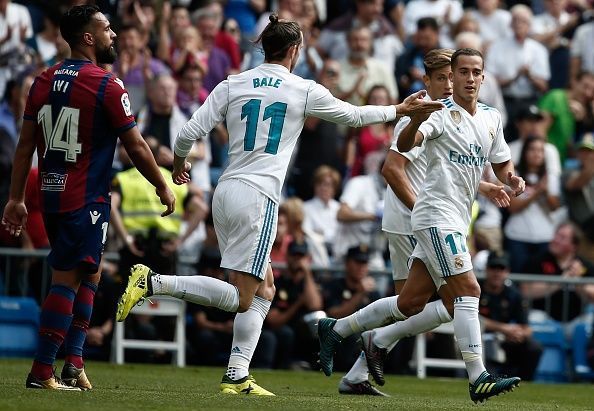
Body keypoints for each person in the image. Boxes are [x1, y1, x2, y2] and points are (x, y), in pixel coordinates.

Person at [115, 13, 443, 396]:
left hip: (226, 191)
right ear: (293, 50)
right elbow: (353, 116)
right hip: (259, 197)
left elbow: (187, 133)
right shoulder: (301, 88)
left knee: (265, 289)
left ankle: (237, 374)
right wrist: (400, 110)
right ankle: (153, 281)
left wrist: (180, 164)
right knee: (242, 296)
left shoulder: (233, 82)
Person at [318, 48, 526, 404]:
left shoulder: (491, 117)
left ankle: (341, 329)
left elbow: (499, 163)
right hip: (431, 217)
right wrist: (414, 119)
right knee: (468, 292)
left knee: (412, 301)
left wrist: (510, 180)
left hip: (454, 219)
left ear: (483, 76)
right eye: (460, 72)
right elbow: (402, 149)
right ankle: (478, 377)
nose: (467, 78)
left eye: (475, 72)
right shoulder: (436, 112)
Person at [1, 5, 175, 390]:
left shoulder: (42, 81)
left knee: (91, 274)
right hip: (84, 198)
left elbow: (25, 145)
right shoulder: (106, 84)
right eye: (107, 28)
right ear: (88, 38)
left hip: (52, 194)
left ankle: (73, 362)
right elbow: (138, 146)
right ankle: (41, 371)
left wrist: (16, 198)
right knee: (66, 279)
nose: (113, 34)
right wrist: (162, 185)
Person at [479, 251, 543, 381]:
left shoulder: (514, 294)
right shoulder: (476, 289)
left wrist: (518, 334)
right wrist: (504, 328)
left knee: (533, 347)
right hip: (479, 338)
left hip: (504, 340)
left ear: (507, 271)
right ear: (486, 269)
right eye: (493, 268)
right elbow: (474, 319)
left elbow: (527, 328)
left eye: (501, 268)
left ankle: (524, 382)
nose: (497, 273)